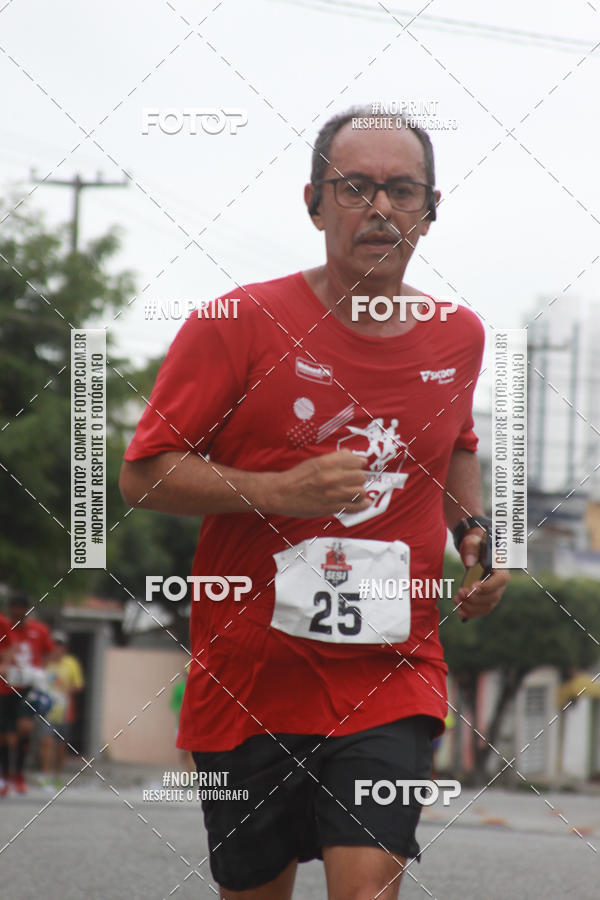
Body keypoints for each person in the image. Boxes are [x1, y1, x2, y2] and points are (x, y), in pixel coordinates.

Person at [119, 104, 509, 899]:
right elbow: (143, 473)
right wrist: (276, 492)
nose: (380, 208)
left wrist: (474, 535)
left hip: (390, 672)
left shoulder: (458, 335)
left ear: (431, 211)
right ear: (313, 202)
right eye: (355, 187)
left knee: (368, 885)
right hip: (251, 675)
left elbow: (456, 443)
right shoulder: (237, 325)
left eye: (403, 190)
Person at [0, 592, 54, 794]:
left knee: (24, 728)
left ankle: (18, 775)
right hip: (6, 686)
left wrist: (41, 674)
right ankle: (5, 776)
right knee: (5, 736)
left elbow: (48, 653)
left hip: (29, 686)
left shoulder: (39, 631)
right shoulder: (5, 627)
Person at [38, 630, 85, 788]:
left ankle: (57, 775)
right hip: (47, 710)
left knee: (60, 745)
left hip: (65, 710)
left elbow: (78, 686)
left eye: (60, 645)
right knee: (47, 742)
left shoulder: (71, 663)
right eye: (54, 645)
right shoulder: (45, 662)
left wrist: (65, 689)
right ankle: (46, 775)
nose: (57, 648)